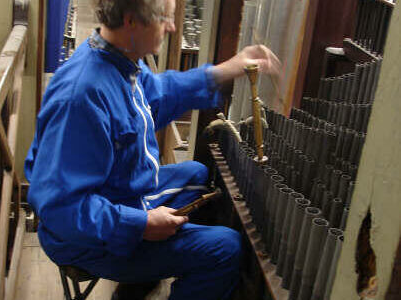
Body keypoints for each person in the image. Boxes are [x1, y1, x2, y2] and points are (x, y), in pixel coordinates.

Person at [24, 0, 281, 299]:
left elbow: (157, 96)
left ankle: (134, 287)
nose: (172, 27)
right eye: (165, 18)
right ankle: (144, 272)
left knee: (196, 173)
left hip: (116, 194)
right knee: (224, 249)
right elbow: (60, 209)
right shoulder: (81, 98)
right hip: (83, 239)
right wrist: (141, 224)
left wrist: (225, 70)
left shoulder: (120, 60)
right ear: (132, 21)